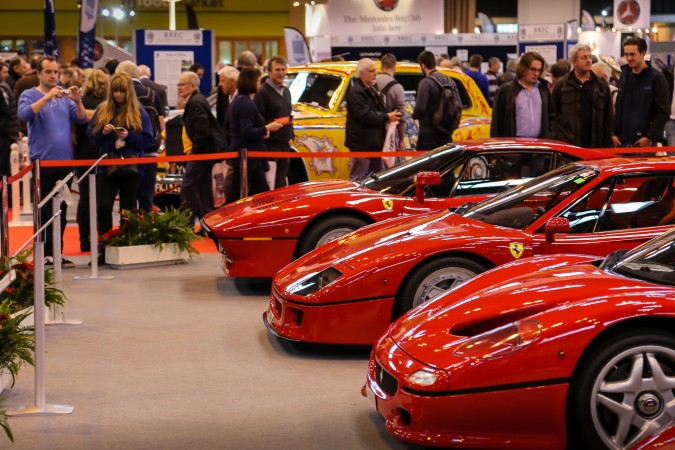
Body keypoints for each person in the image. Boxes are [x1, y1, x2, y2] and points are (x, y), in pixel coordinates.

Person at [18, 55, 86, 267]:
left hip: (65, 162)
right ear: (38, 74)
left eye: (55, 71)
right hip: (42, 163)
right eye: (48, 71)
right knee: (44, 211)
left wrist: (77, 100)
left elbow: (81, 118)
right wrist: (47, 98)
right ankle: (43, 253)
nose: (53, 75)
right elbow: (24, 115)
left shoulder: (65, 97)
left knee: (62, 212)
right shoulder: (29, 94)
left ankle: (57, 252)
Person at [88, 72, 153, 236]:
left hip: (132, 168)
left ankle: (126, 244)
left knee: (128, 209)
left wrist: (128, 136)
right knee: (103, 207)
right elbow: (92, 138)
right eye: (115, 91)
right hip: (106, 168)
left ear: (128, 92)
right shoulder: (102, 109)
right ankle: (104, 246)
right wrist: (103, 132)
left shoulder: (139, 111)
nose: (118, 95)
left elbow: (147, 140)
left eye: (122, 91)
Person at [178, 71, 227, 226]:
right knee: (203, 188)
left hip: (201, 152)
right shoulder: (196, 100)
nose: (179, 88)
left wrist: (195, 151)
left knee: (188, 186)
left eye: (182, 84)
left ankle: (189, 222)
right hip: (205, 152)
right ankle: (207, 221)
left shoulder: (195, 102)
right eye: (178, 85)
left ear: (193, 85)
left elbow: (202, 129)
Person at [226, 68, 282, 203]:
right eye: (258, 81)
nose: (259, 84)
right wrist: (267, 128)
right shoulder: (246, 104)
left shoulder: (239, 100)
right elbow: (246, 131)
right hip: (248, 156)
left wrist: (261, 132)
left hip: (249, 157)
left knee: (258, 193)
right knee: (248, 194)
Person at [116, 60, 164, 212]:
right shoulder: (153, 93)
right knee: (146, 198)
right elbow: (161, 125)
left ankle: (129, 232)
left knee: (128, 199)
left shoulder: (119, 95)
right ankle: (147, 233)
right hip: (150, 151)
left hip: (128, 154)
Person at [345, 58, 400, 180]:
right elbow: (365, 115)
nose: (375, 73)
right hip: (362, 145)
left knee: (377, 179)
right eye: (371, 71)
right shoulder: (356, 92)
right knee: (359, 179)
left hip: (374, 144)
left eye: (375, 70)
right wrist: (386, 117)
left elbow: (376, 111)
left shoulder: (371, 89)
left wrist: (387, 115)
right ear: (362, 74)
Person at [551, 44, 613, 148]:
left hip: (595, 144)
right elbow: (552, 114)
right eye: (584, 58)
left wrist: (608, 141)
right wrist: (560, 136)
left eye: (589, 57)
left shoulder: (601, 85)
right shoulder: (562, 84)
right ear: (574, 61)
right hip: (569, 145)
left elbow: (609, 117)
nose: (589, 60)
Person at [612, 37, 670, 148]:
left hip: (644, 143)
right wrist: (613, 133)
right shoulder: (624, 76)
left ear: (643, 53)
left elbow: (663, 112)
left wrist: (650, 137)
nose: (629, 58)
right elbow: (619, 106)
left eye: (632, 54)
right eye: (626, 54)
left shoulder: (656, 77)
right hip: (621, 142)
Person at [74, 69, 108, 252]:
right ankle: (103, 238)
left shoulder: (80, 103)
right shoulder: (108, 104)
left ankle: (84, 239)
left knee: (85, 198)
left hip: (82, 155)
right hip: (103, 155)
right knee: (103, 200)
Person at [490, 51, 555, 139]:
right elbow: (496, 123)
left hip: (540, 146)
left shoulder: (544, 90)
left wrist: (550, 135)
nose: (536, 73)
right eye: (532, 69)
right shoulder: (505, 90)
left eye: (539, 70)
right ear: (523, 68)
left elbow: (551, 116)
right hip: (514, 146)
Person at [254, 56, 294, 188]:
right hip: (269, 146)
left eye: (283, 69)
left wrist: (291, 136)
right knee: (269, 187)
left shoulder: (287, 91)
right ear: (269, 72)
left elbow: (289, 115)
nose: (281, 73)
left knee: (281, 185)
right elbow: (258, 119)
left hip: (285, 145)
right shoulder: (262, 93)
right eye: (277, 70)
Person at [413, 50, 456, 150]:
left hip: (428, 135)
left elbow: (420, 109)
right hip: (446, 133)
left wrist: (412, 115)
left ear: (423, 66)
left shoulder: (426, 83)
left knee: (427, 165)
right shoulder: (450, 81)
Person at [376, 53, 405, 152]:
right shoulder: (398, 87)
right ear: (394, 67)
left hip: (371, 132)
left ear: (381, 67)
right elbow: (400, 116)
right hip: (389, 135)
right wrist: (401, 139)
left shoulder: (371, 82)